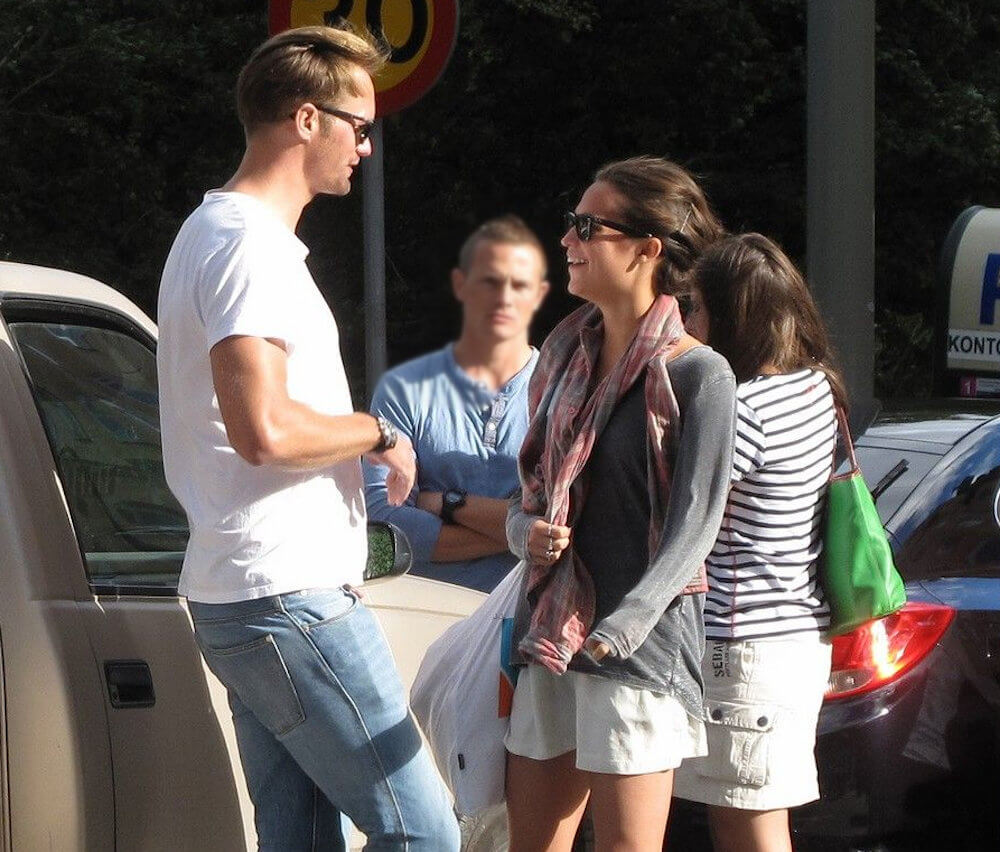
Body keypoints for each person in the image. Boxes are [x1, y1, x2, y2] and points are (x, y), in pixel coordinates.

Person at [156, 26, 459, 851]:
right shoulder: (245, 246)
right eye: (359, 124)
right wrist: (377, 432)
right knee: (426, 836)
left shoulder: (214, 235)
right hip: (285, 594)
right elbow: (265, 429)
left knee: (297, 839)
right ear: (304, 118)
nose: (366, 145)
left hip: (247, 591)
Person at [503, 156, 737, 851]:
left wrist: (627, 624)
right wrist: (524, 533)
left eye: (586, 226)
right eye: (570, 225)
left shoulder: (701, 373)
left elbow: (698, 524)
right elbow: (530, 496)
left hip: (636, 653)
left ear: (646, 248)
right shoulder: (561, 351)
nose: (568, 241)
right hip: (552, 637)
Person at [672, 233, 846, 852]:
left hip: (744, 642)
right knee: (751, 815)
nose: (685, 320)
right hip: (795, 638)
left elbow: (683, 506)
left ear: (730, 314)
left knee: (748, 823)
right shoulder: (816, 387)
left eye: (693, 306)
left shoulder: (749, 409)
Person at [364, 216, 549, 592]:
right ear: (461, 285)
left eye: (519, 284)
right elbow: (385, 522)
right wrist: (522, 536)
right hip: (428, 616)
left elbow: (571, 522)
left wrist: (446, 504)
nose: (504, 297)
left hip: (532, 621)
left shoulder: (564, 393)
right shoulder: (405, 390)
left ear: (540, 294)